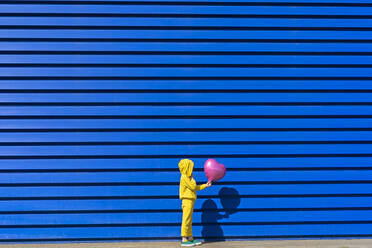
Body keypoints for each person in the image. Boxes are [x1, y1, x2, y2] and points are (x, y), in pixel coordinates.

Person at [178, 159, 212, 247]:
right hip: (187, 200)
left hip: (191, 201)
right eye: (191, 167)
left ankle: (190, 238)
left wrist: (205, 185)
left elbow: (196, 187)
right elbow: (193, 186)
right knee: (186, 219)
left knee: (189, 220)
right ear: (187, 168)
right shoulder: (184, 177)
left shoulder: (188, 177)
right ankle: (184, 239)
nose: (192, 169)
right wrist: (192, 178)